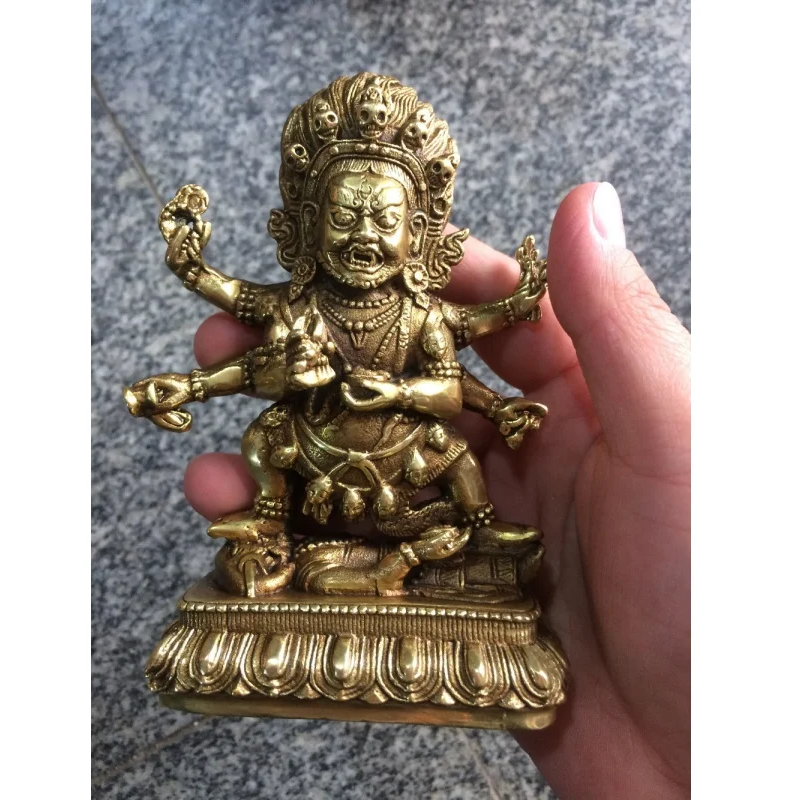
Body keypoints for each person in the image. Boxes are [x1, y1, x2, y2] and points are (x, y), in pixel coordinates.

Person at [182, 181, 691, 800]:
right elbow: (237, 299)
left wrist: (397, 391)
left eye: (384, 220)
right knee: (262, 440)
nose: (363, 235)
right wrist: (192, 268)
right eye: (343, 217)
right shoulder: (296, 306)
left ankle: (478, 524)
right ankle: (271, 513)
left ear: (417, 235)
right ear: (310, 224)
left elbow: (449, 394)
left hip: (404, 448)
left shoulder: (421, 314)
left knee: (454, 454)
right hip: (315, 446)